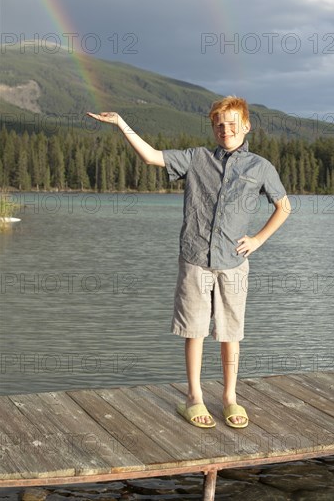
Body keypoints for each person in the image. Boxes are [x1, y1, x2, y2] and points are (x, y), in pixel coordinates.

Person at [87, 96, 291, 429]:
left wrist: (257, 239)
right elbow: (152, 156)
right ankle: (194, 397)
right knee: (194, 330)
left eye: (231, 123)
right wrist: (121, 124)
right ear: (213, 128)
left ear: (246, 125)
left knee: (230, 334)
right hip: (195, 257)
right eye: (219, 124)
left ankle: (229, 398)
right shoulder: (197, 159)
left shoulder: (261, 167)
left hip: (234, 263)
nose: (225, 129)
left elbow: (283, 207)